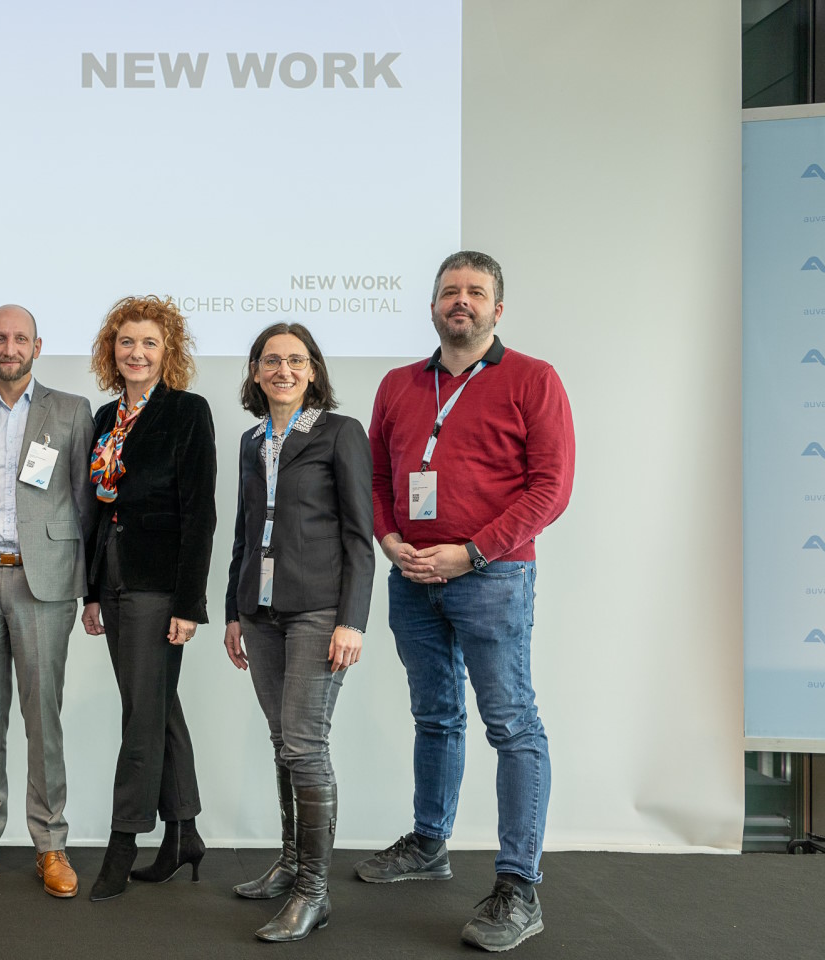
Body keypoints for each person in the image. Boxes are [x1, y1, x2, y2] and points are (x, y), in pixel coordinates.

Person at [356, 251, 574, 952]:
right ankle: (428, 843)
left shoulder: (533, 379)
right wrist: (390, 540)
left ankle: (519, 886)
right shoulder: (397, 385)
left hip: (493, 578)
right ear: (431, 306)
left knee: (511, 723)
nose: (462, 301)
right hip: (412, 578)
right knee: (436, 716)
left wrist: (473, 551)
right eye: (450, 291)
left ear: (497, 310)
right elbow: (378, 478)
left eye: (476, 292)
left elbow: (551, 489)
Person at [222, 322, 373, 942]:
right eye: (271, 360)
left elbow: (359, 536)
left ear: (313, 371)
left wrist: (352, 621)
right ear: (256, 371)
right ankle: (290, 864)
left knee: (306, 746)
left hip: (317, 611)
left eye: (295, 360)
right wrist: (233, 611)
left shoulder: (340, 432)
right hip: (260, 614)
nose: (283, 370)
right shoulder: (251, 439)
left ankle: (314, 890)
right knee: (283, 739)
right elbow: (243, 531)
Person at [0, 304, 96, 899]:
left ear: (38, 345)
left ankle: (50, 844)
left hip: (46, 583)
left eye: (20, 338)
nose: (10, 347)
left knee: (43, 719)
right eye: (0, 339)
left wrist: (90, 589)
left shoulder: (72, 411)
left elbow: (87, 503)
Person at [79, 295, 217, 902]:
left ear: (169, 353)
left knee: (140, 716)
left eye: (150, 343)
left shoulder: (187, 412)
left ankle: (122, 841)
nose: (137, 352)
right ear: (113, 351)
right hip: (112, 583)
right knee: (156, 706)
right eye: (126, 342)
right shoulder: (106, 417)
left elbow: (201, 514)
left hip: (160, 588)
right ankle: (184, 831)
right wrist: (90, 592)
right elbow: (96, 513)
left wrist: (190, 604)